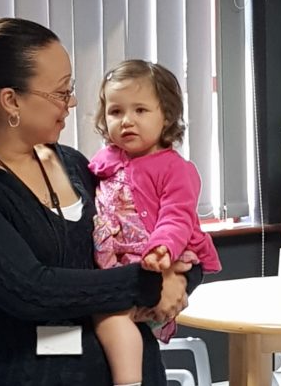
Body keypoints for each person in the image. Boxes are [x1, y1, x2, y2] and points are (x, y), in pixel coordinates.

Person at [0, 17, 203, 386]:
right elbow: (33, 290)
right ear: (11, 100)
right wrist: (151, 284)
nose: (72, 101)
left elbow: (152, 233)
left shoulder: (73, 162)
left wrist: (181, 276)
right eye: (60, 92)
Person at [88, 59, 221, 386]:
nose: (126, 121)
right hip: (116, 263)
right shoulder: (102, 163)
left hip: (161, 258)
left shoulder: (174, 168)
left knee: (114, 321)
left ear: (167, 115)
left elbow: (177, 216)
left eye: (140, 111)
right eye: (115, 112)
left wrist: (162, 248)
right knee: (108, 323)